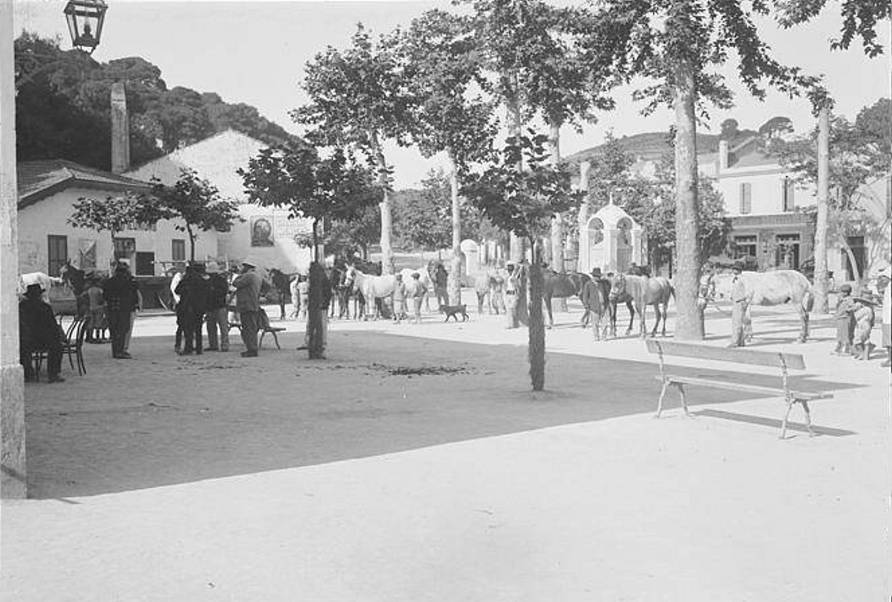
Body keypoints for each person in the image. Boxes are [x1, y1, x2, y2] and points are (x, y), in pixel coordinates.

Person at [19, 283, 65, 383]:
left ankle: (28, 373)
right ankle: (53, 374)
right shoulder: (45, 307)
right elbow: (52, 326)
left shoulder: (21, 307)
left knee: (22, 348)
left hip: (26, 340)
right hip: (43, 340)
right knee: (57, 347)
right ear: (39, 295)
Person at [103, 260, 140, 359]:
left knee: (114, 331)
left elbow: (105, 296)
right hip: (124, 309)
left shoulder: (109, 282)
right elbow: (134, 293)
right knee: (122, 330)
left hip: (112, 309)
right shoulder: (128, 282)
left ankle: (115, 351)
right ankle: (120, 351)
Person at [175, 263, 210, 355]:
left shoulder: (186, 280)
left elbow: (177, 290)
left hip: (187, 307)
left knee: (188, 329)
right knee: (198, 329)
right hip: (199, 307)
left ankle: (188, 348)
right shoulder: (202, 281)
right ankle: (199, 348)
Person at [232, 261, 262, 357]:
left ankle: (251, 349)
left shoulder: (248, 276)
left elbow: (235, 283)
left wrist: (238, 275)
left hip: (246, 305)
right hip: (253, 304)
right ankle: (252, 348)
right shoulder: (257, 276)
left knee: (248, 328)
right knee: (251, 328)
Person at [305, 261, 332, 359]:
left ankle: (313, 349)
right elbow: (328, 293)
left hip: (316, 307)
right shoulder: (322, 279)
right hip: (320, 307)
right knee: (320, 329)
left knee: (314, 329)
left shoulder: (315, 280)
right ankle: (318, 349)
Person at [204, 262, 230, 352]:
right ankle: (224, 345)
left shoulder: (208, 282)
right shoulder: (222, 281)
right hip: (219, 306)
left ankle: (214, 345)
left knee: (213, 327)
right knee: (222, 327)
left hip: (213, 307)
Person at [581, 268, 608, 341]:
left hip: (604, 306)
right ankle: (596, 336)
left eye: (598, 276)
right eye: (596, 276)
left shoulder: (603, 284)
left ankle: (604, 336)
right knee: (595, 323)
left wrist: (607, 303)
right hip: (594, 306)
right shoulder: (588, 284)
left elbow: (606, 294)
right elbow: (585, 296)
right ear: (593, 276)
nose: (597, 277)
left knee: (605, 323)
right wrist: (586, 305)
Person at [727, 264, 749, 348]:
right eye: (733, 269)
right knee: (736, 321)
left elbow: (748, 290)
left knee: (737, 322)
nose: (734, 271)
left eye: (736, 269)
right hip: (735, 302)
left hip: (740, 301)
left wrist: (744, 300)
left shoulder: (743, 279)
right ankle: (741, 341)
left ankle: (734, 342)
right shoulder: (734, 279)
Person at [832, 283, 856, 356]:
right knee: (839, 334)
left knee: (846, 334)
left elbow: (854, 307)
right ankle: (839, 347)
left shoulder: (849, 299)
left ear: (848, 292)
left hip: (845, 318)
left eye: (844, 292)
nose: (842, 293)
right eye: (842, 292)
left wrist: (848, 309)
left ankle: (847, 349)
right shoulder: (841, 299)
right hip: (839, 318)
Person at [851, 296, 876, 360]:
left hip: (863, 325)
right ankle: (866, 356)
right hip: (867, 325)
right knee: (866, 339)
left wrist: (855, 310)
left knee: (857, 340)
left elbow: (856, 317)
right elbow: (871, 319)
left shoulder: (864, 310)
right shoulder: (870, 309)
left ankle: (861, 353)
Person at [85, 274, 107, 343]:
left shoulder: (89, 290)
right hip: (99, 308)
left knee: (90, 323)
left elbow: (86, 299)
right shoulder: (99, 290)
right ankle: (98, 337)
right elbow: (101, 300)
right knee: (98, 323)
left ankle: (90, 337)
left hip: (91, 307)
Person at [504, 263, 519, 329]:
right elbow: (505, 286)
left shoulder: (514, 277)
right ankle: (510, 324)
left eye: (510, 270)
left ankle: (514, 323)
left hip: (513, 294)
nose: (509, 272)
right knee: (508, 309)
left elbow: (516, 286)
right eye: (508, 270)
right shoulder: (507, 277)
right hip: (508, 294)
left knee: (512, 309)